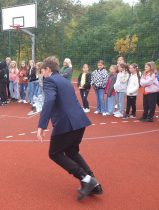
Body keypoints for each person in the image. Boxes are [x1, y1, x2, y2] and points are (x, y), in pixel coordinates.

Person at [37, 56, 103, 201]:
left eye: (43, 71)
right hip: (79, 121)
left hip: (66, 124)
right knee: (72, 152)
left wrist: (42, 125)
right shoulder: (64, 80)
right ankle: (95, 184)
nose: (42, 75)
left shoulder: (50, 80)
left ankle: (86, 179)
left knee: (55, 153)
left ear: (48, 69)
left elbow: (49, 101)